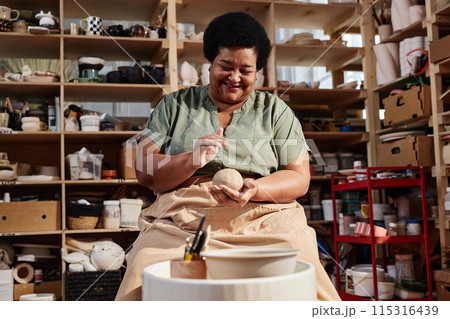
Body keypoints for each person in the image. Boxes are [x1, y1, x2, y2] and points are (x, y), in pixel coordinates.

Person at [115, 12, 339, 301]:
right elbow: (145, 171)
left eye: (246, 70)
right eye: (226, 66)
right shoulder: (174, 105)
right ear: (210, 63)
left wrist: (256, 189)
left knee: (304, 262)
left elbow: (299, 178)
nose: (235, 78)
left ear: (257, 72)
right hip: (184, 218)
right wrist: (192, 159)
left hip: (263, 217)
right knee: (145, 265)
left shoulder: (276, 110)